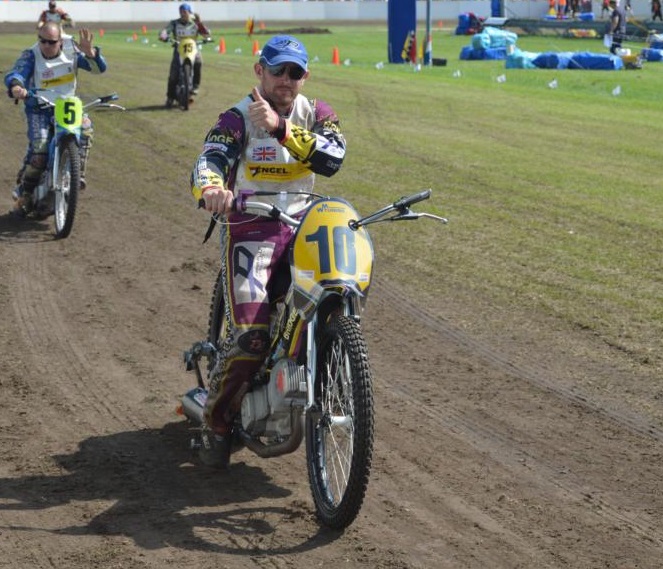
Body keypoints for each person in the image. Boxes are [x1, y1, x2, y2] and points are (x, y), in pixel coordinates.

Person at [189, 35, 346, 468]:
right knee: (250, 336)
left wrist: (281, 129)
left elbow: (334, 158)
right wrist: (212, 187)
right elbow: (210, 158)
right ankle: (215, 421)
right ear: (260, 71)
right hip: (251, 224)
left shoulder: (316, 112)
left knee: (327, 297)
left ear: (305, 77)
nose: (286, 80)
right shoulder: (237, 117)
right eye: (278, 70)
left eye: (295, 72)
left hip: (304, 224)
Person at [4, 23, 107, 213]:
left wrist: (91, 53)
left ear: (60, 41)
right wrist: (16, 86)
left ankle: (77, 174)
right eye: (42, 40)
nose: (46, 45)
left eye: (51, 42)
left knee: (85, 128)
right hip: (39, 108)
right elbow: (16, 73)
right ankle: (25, 193)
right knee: (40, 151)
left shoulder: (73, 50)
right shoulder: (31, 54)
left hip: (67, 106)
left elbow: (99, 69)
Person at [159, 3, 211, 108]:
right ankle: (170, 97)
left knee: (199, 62)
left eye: (185, 12)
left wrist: (199, 23)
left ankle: (195, 87)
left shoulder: (195, 23)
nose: (183, 14)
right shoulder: (174, 23)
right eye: (181, 12)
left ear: (189, 12)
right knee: (173, 74)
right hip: (179, 49)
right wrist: (163, 35)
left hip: (193, 49)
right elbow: (166, 31)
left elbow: (206, 34)